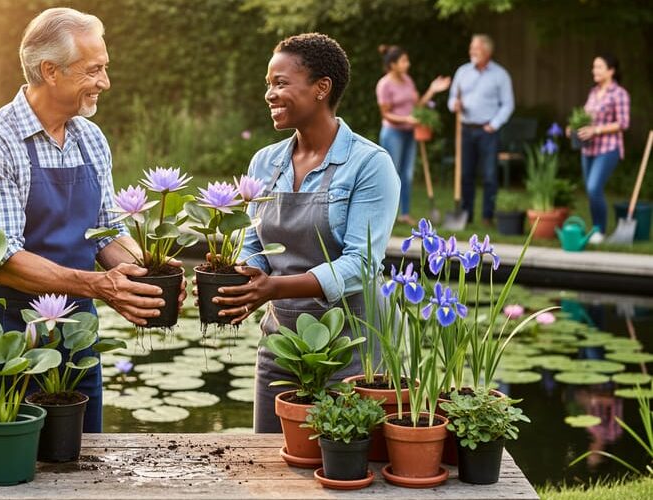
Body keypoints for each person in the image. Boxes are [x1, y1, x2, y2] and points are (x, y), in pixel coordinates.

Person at [0, 8, 183, 433]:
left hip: (77, 339)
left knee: (81, 465)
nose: (105, 83)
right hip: (7, 339)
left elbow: (103, 233)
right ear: (50, 72)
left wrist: (147, 270)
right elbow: (1, 261)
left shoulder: (89, 137)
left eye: (105, 68)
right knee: (8, 478)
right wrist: (99, 286)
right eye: (94, 70)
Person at [214, 33, 400, 432]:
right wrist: (244, 281)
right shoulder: (265, 162)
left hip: (353, 351)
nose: (269, 93)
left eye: (280, 83)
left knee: (344, 474)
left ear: (321, 88)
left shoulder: (369, 164)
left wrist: (273, 288)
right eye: (268, 83)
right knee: (269, 465)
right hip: (281, 344)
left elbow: (361, 265)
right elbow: (253, 242)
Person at [375, 45, 450, 225]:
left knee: (407, 175)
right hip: (393, 134)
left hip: (409, 133)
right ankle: (386, 216)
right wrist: (406, 118)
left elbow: (417, 107)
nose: (407, 64)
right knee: (390, 174)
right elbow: (385, 114)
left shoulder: (408, 80)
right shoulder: (384, 84)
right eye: (403, 61)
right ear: (393, 64)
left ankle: (405, 214)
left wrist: (432, 89)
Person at [448, 34, 514, 225]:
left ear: (487, 51)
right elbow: (452, 99)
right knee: (465, 175)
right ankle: (466, 215)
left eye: (475, 48)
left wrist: (494, 124)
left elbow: (508, 104)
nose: (471, 52)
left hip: (488, 131)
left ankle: (487, 216)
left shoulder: (500, 75)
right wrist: (455, 105)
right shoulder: (463, 71)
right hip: (465, 129)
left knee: (490, 176)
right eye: (471, 48)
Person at [570, 54, 630, 243]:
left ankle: (599, 230)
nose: (594, 71)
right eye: (594, 67)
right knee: (590, 190)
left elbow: (623, 123)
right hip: (588, 148)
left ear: (611, 70)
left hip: (608, 148)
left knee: (594, 187)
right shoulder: (594, 92)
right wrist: (574, 128)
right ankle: (596, 229)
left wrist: (596, 130)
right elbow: (586, 118)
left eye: (599, 67)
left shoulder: (619, 94)